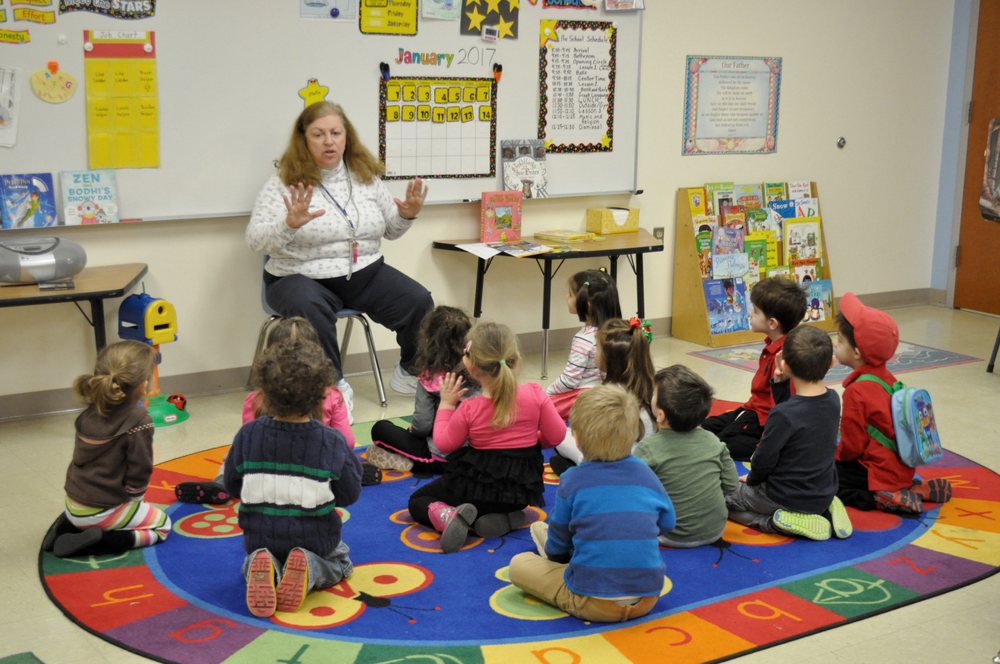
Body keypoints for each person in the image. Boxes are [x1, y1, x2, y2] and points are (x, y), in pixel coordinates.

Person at [246, 100, 433, 398]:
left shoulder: (365, 177)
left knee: (418, 301)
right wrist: (288, 225)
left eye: (336, 133)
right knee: (310, 307)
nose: (329, 141)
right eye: (318, 134)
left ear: (347, 137)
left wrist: (407, 214)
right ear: (304, 140)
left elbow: (392, 231)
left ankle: (409, 370)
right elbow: (256, 240)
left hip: (363, 273)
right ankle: (331, 388)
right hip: (297, 277)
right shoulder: (283, 183)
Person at [508, 385, 676, 623]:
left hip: (591, 600)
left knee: (519, 564)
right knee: (546, 531)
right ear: (634, 433)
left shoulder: (572, 480)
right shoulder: (644, 471)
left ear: (575, 437)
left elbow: (558, 544)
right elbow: (668, 522)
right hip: (648, 598)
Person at [223, 338, 362, 618]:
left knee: (250, 557)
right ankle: (310, 566)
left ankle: (261, 563)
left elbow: (231, 484)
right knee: (342, 559)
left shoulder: (247, 435)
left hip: (260, 536)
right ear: (321, 394)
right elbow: (349, 494)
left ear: (264, 393)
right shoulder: (331, 441)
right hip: (316, 539)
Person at [407, 321, 566, 553]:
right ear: (517, 359)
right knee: (501, 499)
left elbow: (443, 443)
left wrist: (446, 405)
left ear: (470, 367)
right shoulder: (536, 394)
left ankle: (450, 517)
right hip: (520, 493)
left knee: (417, 501)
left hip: (477, 494)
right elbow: (557, 435)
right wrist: (533, 438)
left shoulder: (470, 408)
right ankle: (507, 518)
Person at [175, 316, 357, 505]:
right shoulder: (333, 396)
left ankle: (220, 485)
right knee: (337, 456)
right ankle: (345, 478)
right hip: (315, 472)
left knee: (234, 453)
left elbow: (250, 443)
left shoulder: (255, 399)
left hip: (266, 474)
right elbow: (348, 441)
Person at [42, 341, 172, 558]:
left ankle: (66, 528)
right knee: (163, 526)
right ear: (143, 383)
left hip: (73, 503)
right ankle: (102, 540)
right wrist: (136, 501)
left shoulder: (91, 411)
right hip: (101, 511)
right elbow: (140, 469)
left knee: (91, 512)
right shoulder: (139, 421)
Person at [725, 325, 852, 541]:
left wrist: (752, 480)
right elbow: (797, 412)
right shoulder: (833, 400)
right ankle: (826, 509)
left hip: (784, 497)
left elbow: (764, 460)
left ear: (785, 364)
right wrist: (781, 385)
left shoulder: (783, 415)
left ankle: (776, 522)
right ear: (831, 363)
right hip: (822, 491)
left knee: (718, 498)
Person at [834, 292, 952, 514]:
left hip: (876, 473)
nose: (835, 344)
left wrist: (836, 457)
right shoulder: (888, 380)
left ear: (857, 352)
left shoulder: (856, 391)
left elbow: (852, 446)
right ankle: (913, 490)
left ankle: (880, 497)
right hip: (902, 469)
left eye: (839, 341)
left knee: (826, 480)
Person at [702, 277, 808, 461]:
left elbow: (783, 407)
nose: (750, 314)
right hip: (751, 410)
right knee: (702, 428)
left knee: (719, 445)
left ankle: (780, 450)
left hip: (764, 420)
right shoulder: (772, 345)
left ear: (772, 323)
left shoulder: (784, 357)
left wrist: (769, 442)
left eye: (756, 311)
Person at [636, 365, 739, 548]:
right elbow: (732, 485)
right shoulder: (713, 441)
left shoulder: (648, 448)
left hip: (670, 535)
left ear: (660, 415)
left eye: (653, 394)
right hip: (714, 530)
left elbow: (633, 492)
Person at [368, 305, 478, 474]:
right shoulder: (480, 369)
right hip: (479, 457)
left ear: (429, 340)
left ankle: (404, 460)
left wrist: (413, 430)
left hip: (442, 458)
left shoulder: (430, 376)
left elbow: (422, 426)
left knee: (381, 428)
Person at [550, 316, 656, 474]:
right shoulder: (651, 388)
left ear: (610, 360)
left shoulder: (608, 399)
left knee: (559, 435)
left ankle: (582, 467)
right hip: (642, 462)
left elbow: (595, 440)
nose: (595, 351)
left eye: (597, 347)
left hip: (614, 463)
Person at [546, 269, 622, 419]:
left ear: (587, 304)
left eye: (570, 294)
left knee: (541, 407)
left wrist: (547, 392)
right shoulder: (616, 332)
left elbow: (569, 380)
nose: (565, 297)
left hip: (583, 400)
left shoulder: (584, 339)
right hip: (608, 395)